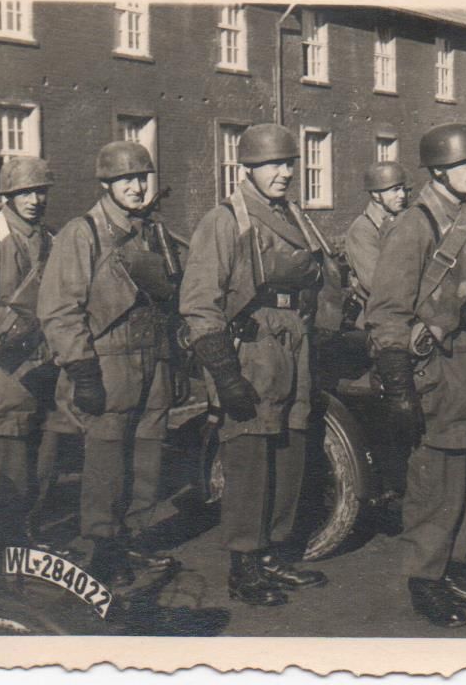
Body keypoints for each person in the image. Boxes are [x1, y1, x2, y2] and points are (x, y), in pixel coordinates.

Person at [366, 123, 466, 629]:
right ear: (441, 168)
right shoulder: (416, 225)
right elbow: (387, 310)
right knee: (440, 479)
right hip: (445, 368)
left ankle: (452, 567)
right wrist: (398, 384)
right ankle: (423, 580)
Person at [179, 124, 328, 607]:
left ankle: (273, 554)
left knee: (290, 449)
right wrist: (224, 373)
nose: (284, 172)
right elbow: (200, 303)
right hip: (252, 347)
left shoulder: (295, 217)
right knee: (249, 458)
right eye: (272, 165)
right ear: (248, 168)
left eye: (289, 163)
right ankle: (243, 565)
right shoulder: (226, 221)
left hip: (292, 342)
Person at [38, 141, 181, 586]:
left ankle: (134, 540)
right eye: (126, 180)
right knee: (105, 459)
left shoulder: (152, 231)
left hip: (152, 358)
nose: (137, 187)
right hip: (108, 361)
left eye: (142, 178)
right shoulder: (84, 233)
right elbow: (60, 309)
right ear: (105, 184)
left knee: (149, 456)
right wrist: (81, 369)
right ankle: (101, 549)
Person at [0, 156, 70, 540]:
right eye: (24, 192)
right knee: (9, 453)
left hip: (46, 363)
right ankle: (3, 541)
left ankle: (31, 534)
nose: (34, 199)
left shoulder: (51, 239)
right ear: (7, 195)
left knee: (48, 452)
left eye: (40, 191)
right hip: (3, 366)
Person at [344, 161, 409, 314]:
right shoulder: (362, 230)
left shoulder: (402, 222)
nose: (402, 195)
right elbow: (377, 285)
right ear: (375, 194)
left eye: (403, 189)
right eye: (395, 190)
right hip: (377, 317)